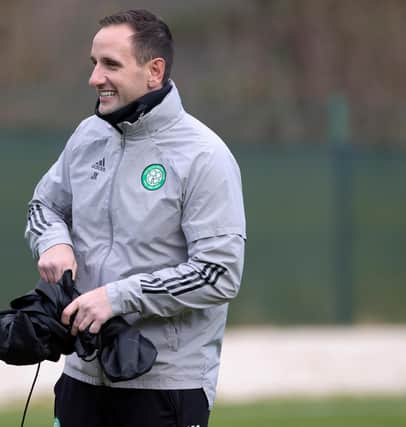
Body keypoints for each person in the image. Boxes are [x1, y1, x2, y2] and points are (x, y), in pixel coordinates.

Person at [25, 9, 246, 427]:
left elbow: (219, 272)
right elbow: (44, 206)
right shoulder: (87, 136)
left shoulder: (204, 155)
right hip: (81, 375)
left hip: (166, 386)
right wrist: (54, 241)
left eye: (111, 64)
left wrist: (116, 297)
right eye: (94, 64)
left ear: (153, 71)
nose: (95, 78)